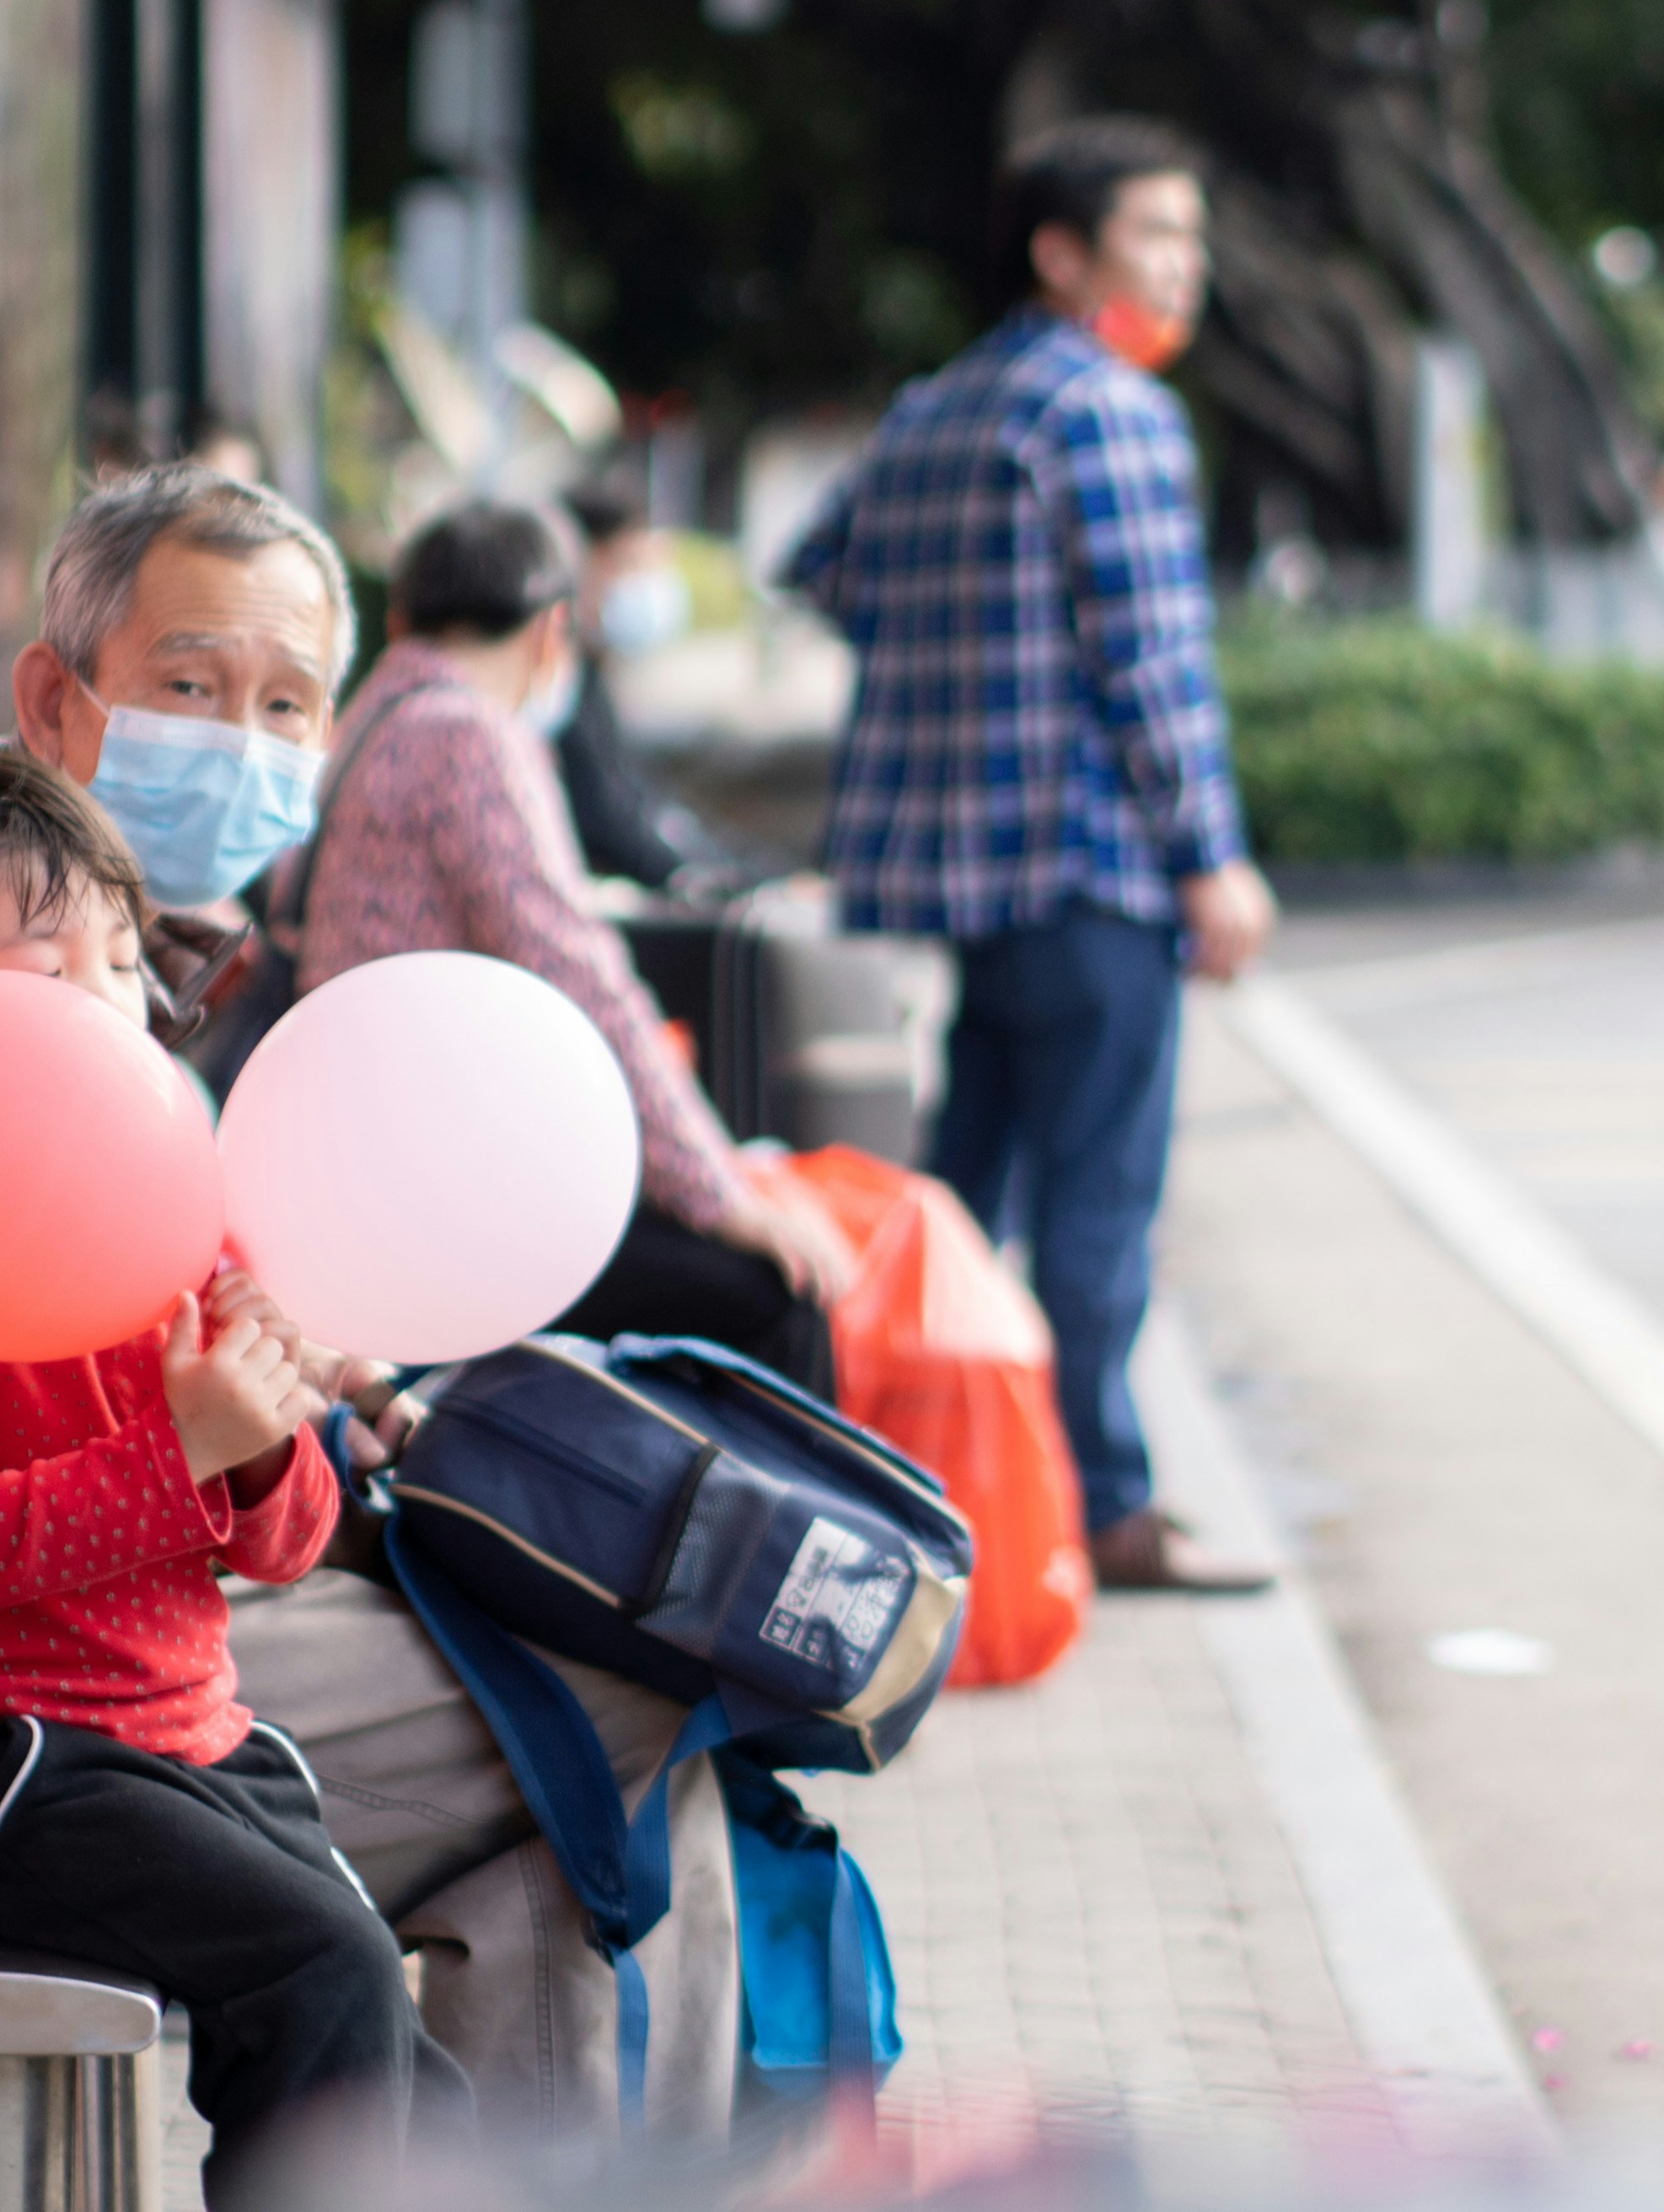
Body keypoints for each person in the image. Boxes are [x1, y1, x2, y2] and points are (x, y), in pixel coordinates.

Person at [0, 464, 743, 2145]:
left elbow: (248, 1507)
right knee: (619, 1726)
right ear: (51, 697)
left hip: (134, 1640)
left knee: (535, 1791)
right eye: (188, 685)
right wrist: (192, 1432)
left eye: (286, 702)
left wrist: (270, 1403)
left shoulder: (85, 965)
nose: (240, 737)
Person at [0, 746, 463, 2209]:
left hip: (201, 1746)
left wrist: (264, 1427)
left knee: (411, 2067)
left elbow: (291, 1540)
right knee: (323, 1972)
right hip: (0, 1767)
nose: (102, 1002)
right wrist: (181, 1448)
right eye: (46, 964)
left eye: (116, 962)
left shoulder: (167, 1214)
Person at [779, 116, 1283, 1593]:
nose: (1183, 269)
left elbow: (822, 568)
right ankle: (1104, 1504)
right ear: (1063, 256)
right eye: (1157, 240)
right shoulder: (1107, 411)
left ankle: (937, 1490)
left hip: (943, 886)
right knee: (1098, 1204)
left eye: (1190, 240)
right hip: (1084, 873)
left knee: (964, 1205)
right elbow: (1152, 659)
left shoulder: (935, 409)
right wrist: (1212, 855)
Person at [298, 497, 856, 1391]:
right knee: (774, 1291)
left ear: (402, 616)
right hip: (444, 1199)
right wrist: (721, 1199)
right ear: (552, 631)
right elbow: (582, 978)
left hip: (372, 1168)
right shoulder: (470, 736)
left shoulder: (368, 719)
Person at [549, 478, 743, 899]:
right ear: (584, 562)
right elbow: (612, 824)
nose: (639, 585)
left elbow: (645, 809)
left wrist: (749, 874)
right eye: (629, 564)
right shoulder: (553, 691)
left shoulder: (585, 677)